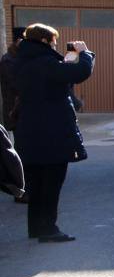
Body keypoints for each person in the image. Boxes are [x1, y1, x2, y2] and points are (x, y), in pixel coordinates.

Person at [14, 24, 94, 242]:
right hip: (52, 131)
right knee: (51, 183)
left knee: (36, 183)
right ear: (44, 41)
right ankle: (48, 228)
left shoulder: (20, 61)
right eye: (53, 41)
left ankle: (36, 228)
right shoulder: (45, 63)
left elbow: (58, 78)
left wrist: (64, 64)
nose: (55, 45)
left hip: (29, 130)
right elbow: (81, 72)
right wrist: (85, 53)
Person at [0, 27, 25, 131]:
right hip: (15, 110)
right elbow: (16, 84)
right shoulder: (8, 60)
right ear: (19, 41)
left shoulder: (22, 57)